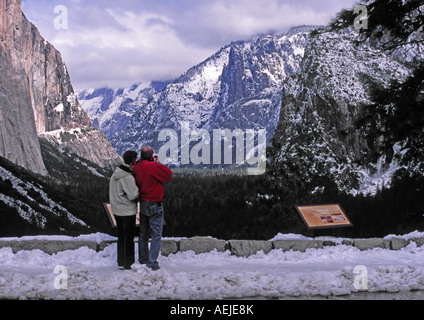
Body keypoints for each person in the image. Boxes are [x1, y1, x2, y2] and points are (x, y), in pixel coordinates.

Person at [133, 146, 172, 270]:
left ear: (140, 156)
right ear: (151, 156)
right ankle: (152, 262)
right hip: (155, 203)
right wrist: (156, 163)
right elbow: (168, 175)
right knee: (156, 234)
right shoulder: (154, 167)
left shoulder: (137, 167)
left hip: (143, 202)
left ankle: (142, 259)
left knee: (143, 233)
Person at [109, 150, 139, 270]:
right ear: (132, 160)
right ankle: (128, 263)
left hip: (116, 209)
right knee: (129, 237)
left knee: (121, 236)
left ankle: (120, 261)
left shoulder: (116, 173)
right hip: (127, 210)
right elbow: (132, 195)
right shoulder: (127, 176)